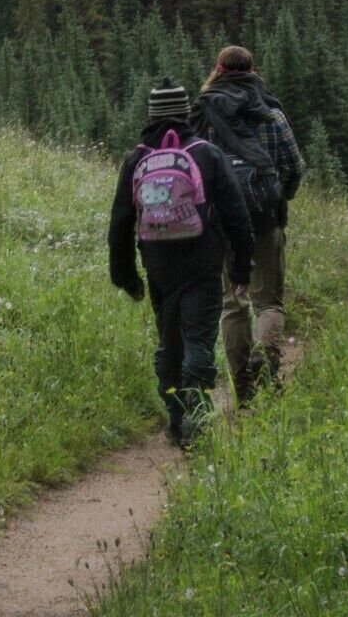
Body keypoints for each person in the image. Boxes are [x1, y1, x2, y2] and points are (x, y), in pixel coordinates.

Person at [110, 83, 256, 448]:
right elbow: (237, 214)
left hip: (157, 263)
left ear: (152, 115)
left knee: (169, 339)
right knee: (199, 335)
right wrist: (241, 267)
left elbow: (120, 222)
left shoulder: (136, 158)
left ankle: (175, 415)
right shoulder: (206, 153)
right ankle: (197, 409)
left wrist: (125, 276)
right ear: (187, 111)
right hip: (202, 259)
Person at [193, 45, 306, 404]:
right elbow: (295, 166)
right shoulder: (271, 113)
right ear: (253, 71)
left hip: (221, 221)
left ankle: (242, 388)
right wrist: (278, 199)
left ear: (217, 69)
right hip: (264, 216)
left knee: (233, 304)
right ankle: (266, 358)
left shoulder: (203, 114)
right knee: (269, 302)